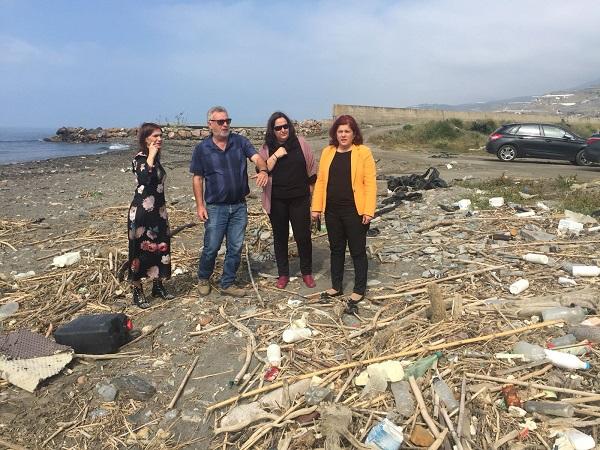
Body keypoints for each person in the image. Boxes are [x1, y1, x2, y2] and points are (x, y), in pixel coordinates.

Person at [190, 106, 269, 297]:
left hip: (239, 205)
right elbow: (197, 178)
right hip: (216, 207)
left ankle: (227, 282)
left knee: (235, 246)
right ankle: (203, 278)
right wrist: (200, 205)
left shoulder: (240, 142)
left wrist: (263, 170)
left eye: (228, 121)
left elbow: (257, 158)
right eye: (220, 122)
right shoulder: (202, 149)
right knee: (212, 246)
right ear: (210, 125)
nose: (225, 125)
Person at [311, 115, 377, 314]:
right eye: (340, 131)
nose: (343, 135)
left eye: (347, 131)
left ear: (354, 133)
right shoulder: (327, 152)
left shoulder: (363, 152)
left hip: (355, 210)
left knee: (357, 251)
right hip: (332, 210)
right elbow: (321, 181)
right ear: (335, 133)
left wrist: (368, 210)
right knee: (336, 249)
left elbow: (370, 183)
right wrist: (316, 208)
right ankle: (336, 286)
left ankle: (359, 289)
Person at [259, 112, 317, 289]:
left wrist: (313, 200)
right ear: (273, 130)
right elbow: (263, 170)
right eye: (278, 128)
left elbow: (312, 172)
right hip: (277, 200)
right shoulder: (267, 148)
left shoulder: (301, 143)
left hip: (300, 198)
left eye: (285, 126)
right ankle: (283, 274)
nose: (283, 130)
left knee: (303, 236)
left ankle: (306, 272)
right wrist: (276, 155)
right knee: (280, 237)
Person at [127, 122, 173, 309]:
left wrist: (154, 157)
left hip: (159, 212)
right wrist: (151, 155)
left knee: (161, 248)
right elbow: (145, 179)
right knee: (139, 251)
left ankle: (158, 286)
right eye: (154, 136)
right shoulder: (139, 159)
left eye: (160, 135)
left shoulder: (156, 159)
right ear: (145, 139)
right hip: (141, 214)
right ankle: (137, 291)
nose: (159, 139)